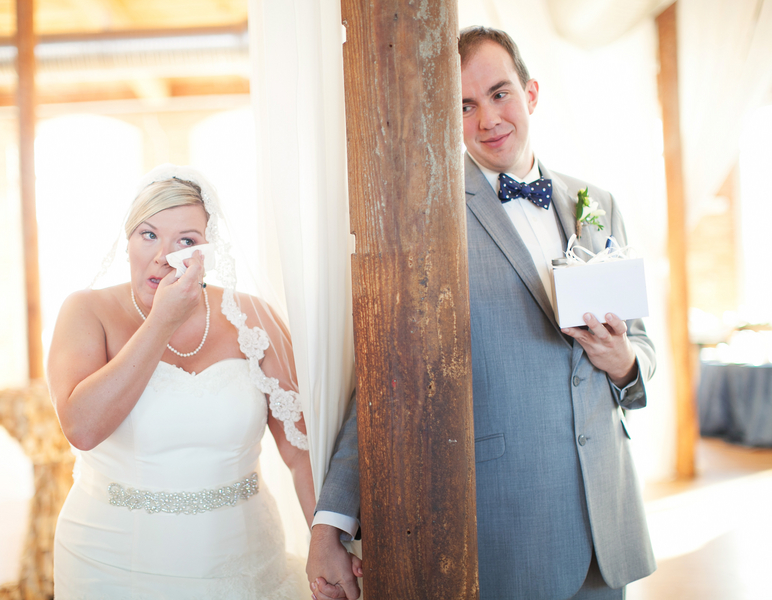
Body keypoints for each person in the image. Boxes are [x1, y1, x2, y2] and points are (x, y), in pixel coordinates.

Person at [306, 26, 657, 600]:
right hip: (506, 523)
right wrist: (332, 522)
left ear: (532, 93)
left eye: (499, 94)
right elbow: (385, 382)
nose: (488, 119)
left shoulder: (598, 204)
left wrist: (624, 363)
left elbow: (641, 348)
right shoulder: (425, 222)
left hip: (605, 519)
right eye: (464, 106)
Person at [48, 165, 314, 599]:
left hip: (242, 559)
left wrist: (324, 541)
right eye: (148, 234)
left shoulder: (254, 317)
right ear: (128, 239)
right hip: (113, 562)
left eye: (185, 241)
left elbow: (301, 454)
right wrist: (161, 321)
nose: (161, 256)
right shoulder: (86, 311)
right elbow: (82, 428)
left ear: (209, 250)